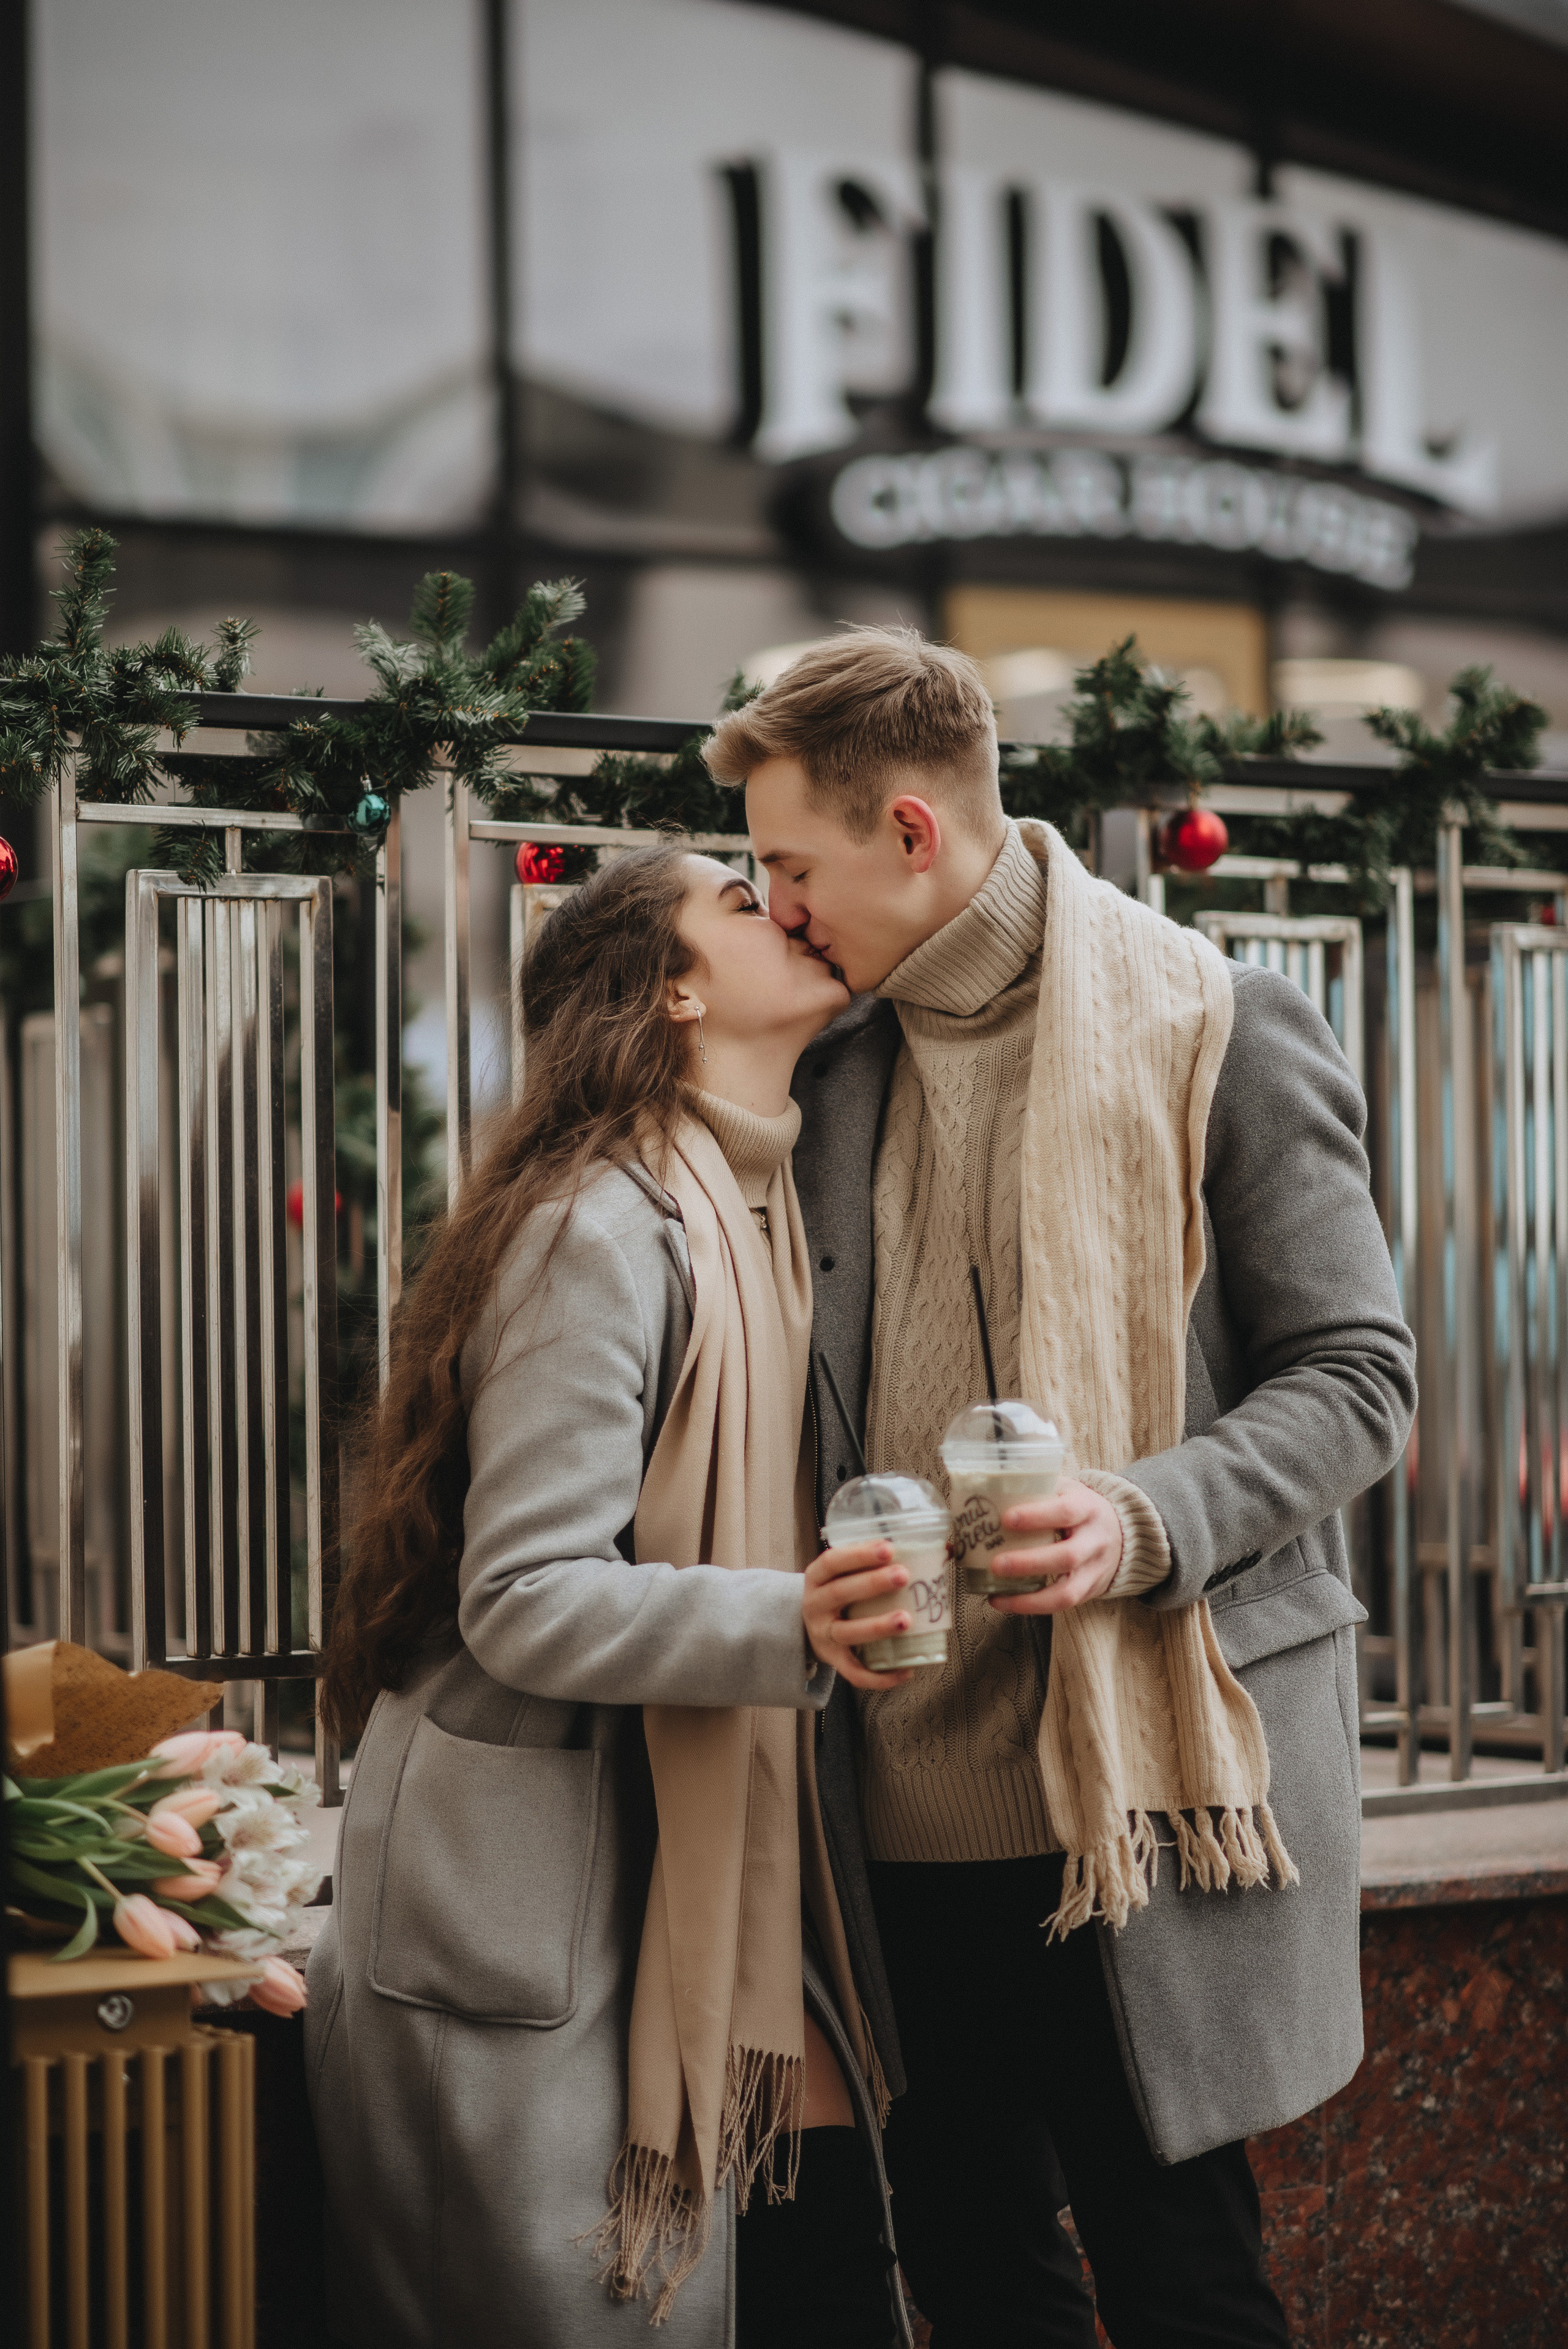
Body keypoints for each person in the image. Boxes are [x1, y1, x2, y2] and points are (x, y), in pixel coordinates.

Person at [705, 630, 1419, 2349]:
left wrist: (1143, 1515)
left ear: (910, 832)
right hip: (896, 1809)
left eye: (790, 866)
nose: (774, 906)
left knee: (1186, 2282)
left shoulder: (1222, 1026)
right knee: (972, 2269)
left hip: (1143, 1818)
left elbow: (1362, 1376)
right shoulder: (835, 1066)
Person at [309, 845, 917, 2349]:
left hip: (697, 1864)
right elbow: (522, 1595)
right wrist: (795, 1620)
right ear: (673, 989)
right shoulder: (603, 1223)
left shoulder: (764, 1203)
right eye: (735, 897)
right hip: (529, 1893)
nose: (779, 905)